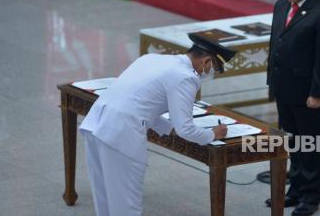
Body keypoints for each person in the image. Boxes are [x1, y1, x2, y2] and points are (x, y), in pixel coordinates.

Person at [79, 33, 237, 216]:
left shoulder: (152, 59)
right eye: (215, 69)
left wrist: (169, 128)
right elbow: (185, 128)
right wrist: (212, 134)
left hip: (96, 125)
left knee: (104, 199)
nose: (211, 74)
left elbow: (140, 104)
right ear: (207, 61)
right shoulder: (185, 77)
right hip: (120, 136)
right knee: (126, 206)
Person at [265, 0, 320, 216]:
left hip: (310, 95)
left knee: (311, 146)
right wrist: (272, 85)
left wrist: (318, 94)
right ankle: (295, 191)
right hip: (285, 91)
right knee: (294, 144)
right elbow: (275, 44)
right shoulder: (281, 6)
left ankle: (310, 197)